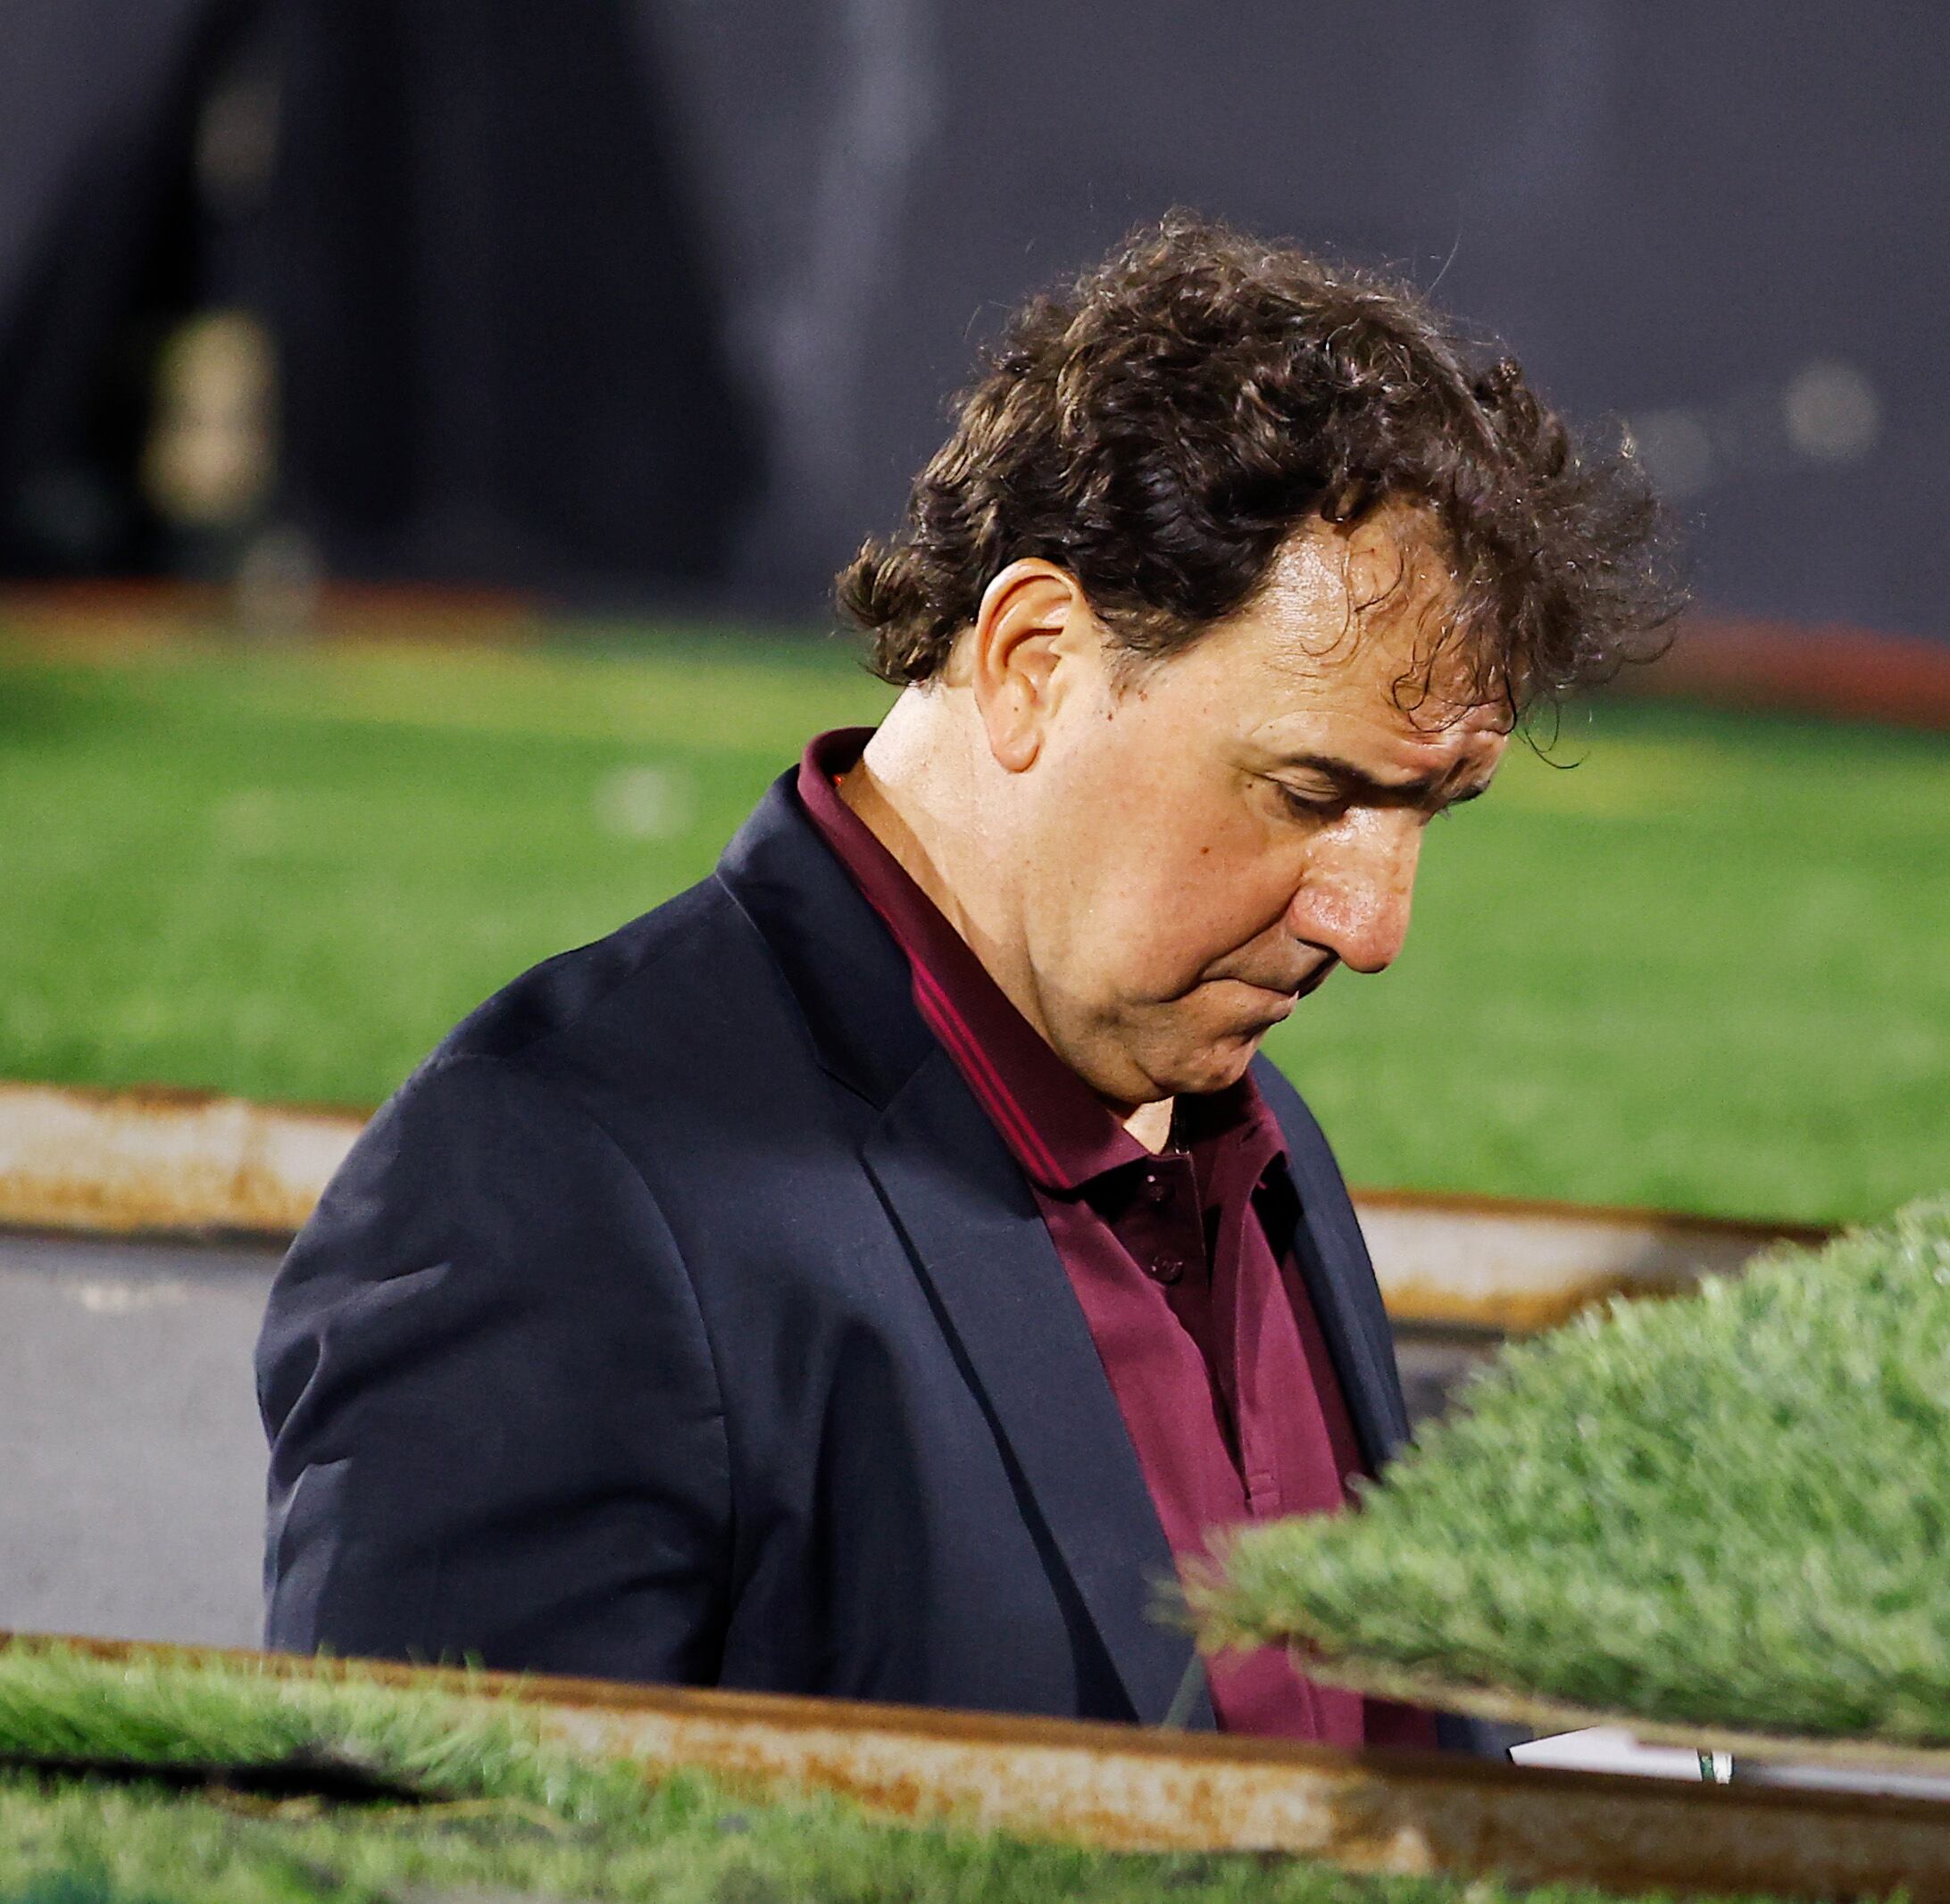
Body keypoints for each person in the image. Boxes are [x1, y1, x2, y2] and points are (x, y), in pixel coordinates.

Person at [254, 216, 1679, 1749]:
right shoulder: (551, 1191)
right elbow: (425, 1852)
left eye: (1430, 813)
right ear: (1032, 660)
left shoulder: (1257, 1144)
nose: (1375, 921)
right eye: (1312, 792)